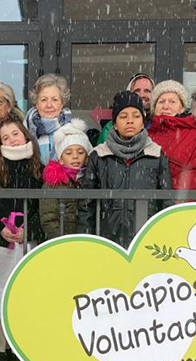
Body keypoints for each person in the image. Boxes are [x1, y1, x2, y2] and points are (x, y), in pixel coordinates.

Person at [0, 117, 44, 361]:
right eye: (6, 137)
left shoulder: (39, 169)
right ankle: (1, 348)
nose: (12, 140)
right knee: (0, 293)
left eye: (16, 134)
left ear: (25, 136)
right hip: (0, 244)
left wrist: (30, 230)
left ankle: (23, 347)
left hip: (30, 243)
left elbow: (44, 209)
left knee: (26, 294)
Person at [77, 91, 171, 247]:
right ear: (114, 123)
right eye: (123, 116)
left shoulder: (156, 154)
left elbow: (166, 203)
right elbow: (87, 205)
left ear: (143, 122)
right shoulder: (99, 155)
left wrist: (162, 239)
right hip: (106, 240)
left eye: (136, 116)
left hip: (146, 240)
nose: (130, 121)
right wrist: (85, 240)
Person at [148, 80, 196, 191]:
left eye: (172, 102)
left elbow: (194, 175)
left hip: (177, 205)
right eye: (161, 102)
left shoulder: (194, 137)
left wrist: (170, 200)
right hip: (147, 204)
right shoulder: (145, 136)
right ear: (154, 107)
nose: (166, 106)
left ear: (182, 107)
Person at [40, 121, 93, 239]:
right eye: (69, 153)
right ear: (61, 159)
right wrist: (60, 241)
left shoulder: (90, 180)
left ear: (86, 157)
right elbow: (49, 219)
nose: (75, 156)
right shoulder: (54, 182)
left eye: (80, 152)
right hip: (62, 244)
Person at [24, 74, 80, 165]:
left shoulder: (75, 131)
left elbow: (84, 166)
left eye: (54, 100)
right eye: (44, 100)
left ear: (62, 103)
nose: (49, 105)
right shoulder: (24, 130)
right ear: (36, 104)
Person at [97, 73, 155, 144]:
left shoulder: (159, 125)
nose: (142, 95)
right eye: (137, 91)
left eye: (147, 91)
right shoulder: (110, 128)